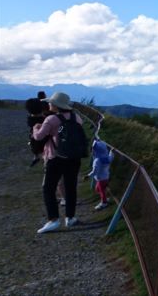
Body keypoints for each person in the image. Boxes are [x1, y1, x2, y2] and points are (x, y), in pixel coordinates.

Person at [32, 92, 84, 234]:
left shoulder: (51, 119)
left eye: (50, 102)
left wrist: (36, 127)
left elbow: (39, 137)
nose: (49, 104)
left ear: (55, 105)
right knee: (70, 187)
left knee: (49, 188)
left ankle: (53, 220)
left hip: (55, 158)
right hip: (74, 158)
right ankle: (70, 218)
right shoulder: (77, 117)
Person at [85, 139, 113, 210]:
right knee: (98, 189)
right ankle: (105, 199)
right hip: (106, 177)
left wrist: (88, 175)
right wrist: (111, 151)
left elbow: (95, 171)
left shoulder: (97, 161)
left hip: (100, 179)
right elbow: (111, 157)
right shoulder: (106, 158)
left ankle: (104, 202)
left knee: (101, 190)